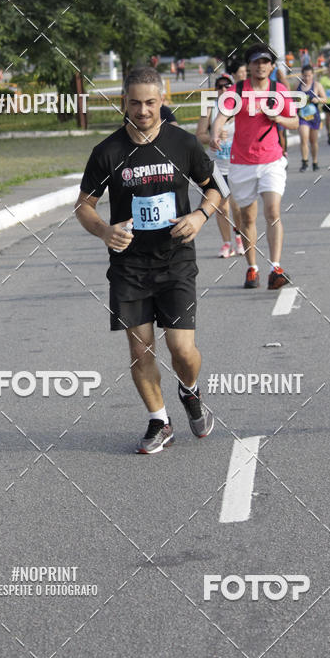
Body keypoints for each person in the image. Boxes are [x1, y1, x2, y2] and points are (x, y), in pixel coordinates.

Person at [76, 66, 226, 454]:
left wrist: (199, 216)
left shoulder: (183, 144)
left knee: (181, 349)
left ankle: (190, 390)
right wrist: (105, 231)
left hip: (175, 260)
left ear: (163, 101)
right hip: (129, 264)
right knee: (140, 348)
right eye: (135, 103)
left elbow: (214, 190)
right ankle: (160, 420)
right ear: (124, 103)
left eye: (150, 102)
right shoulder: (107, 152)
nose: (142, 110)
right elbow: (84, 206)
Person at [210, 43, 299, 291]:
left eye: (265, 62)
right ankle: (253, 268)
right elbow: (220, 118)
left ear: (271, 66)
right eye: (256, 62)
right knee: (248, 217)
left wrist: (278, 118)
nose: (261, 66)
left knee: (272, 212)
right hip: (242, 163)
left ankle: (275, 268)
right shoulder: (237, 91)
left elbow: (294, 122)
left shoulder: (278, 90)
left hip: (271, 160)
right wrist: (216, 135)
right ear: (249, 66)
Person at [195, 73, 243, 257]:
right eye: (219, 86)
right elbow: (199, 135)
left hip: (238, 165)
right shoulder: (209, 108)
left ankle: (239, 236)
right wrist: (213, 137)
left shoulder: (241, 108)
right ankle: (226, 243)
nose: (223, 89)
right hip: (217, 165)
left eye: (227, 86)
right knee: (222, 207)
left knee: (238, 207)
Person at [297, 65, 326, 171]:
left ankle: (315, 161)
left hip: (314, 117)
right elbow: (292, 99)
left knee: (313, 141)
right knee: (303, 139)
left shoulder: (317, 85)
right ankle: (304, 162)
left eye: (309, 76)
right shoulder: (298, 85)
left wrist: (317, 99)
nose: (306, 78)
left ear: (312, 75)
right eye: (304, 76)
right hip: (302, 117)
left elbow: (325, 99)